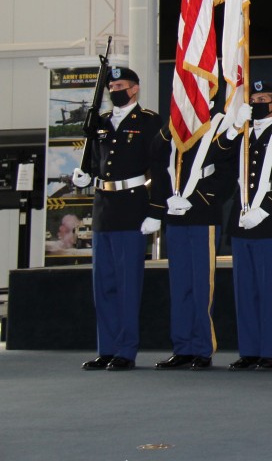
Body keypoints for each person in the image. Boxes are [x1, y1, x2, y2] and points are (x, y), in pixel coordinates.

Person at [71, 67, 163, 371]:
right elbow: (99, 163)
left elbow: (160, 169)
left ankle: (126, 349)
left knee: (127, 284)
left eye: (120, 85)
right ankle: (107, 348)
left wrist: (156, 210)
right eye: (111, 85)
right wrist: (86, 174)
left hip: (131, 208)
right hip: (103, 208)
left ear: (134, 89)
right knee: (104, 285)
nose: (115, 90)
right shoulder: (101, 123)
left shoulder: (148, 121)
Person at [214, 80, 272, 371]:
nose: (257, 102)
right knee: (244, 291)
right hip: (241, 224)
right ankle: (248, 350)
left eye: (263, 98)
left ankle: (268, 352)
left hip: (268, 223)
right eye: (253, 98)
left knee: (268, 290)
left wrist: (265, 211)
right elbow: (218, 156)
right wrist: (232, 128)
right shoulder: (243, 135)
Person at [149, 106, 237, 370]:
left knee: (201, 286)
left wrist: (196, 202)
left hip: (202, 216)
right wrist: (163, 204)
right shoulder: (177, 128)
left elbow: (225, 175)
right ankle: (182, 347)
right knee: (179, 286)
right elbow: (156, 156)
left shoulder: (219, 126)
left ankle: (201, 348)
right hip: (175, 216)